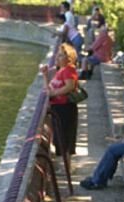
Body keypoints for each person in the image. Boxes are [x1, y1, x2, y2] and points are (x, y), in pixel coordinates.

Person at [40, 43, 79, 171]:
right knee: (60, 138)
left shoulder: (69, 69)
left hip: (66, 108)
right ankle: (66, 166)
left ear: (69, 58)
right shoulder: (59, 71)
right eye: (58, 55)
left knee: (66, 137)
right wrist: (45, 75)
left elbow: (70, 86)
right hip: (58, 109)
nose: (58, 57)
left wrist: (54, 93)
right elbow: (49, 89)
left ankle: (68, 168)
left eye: (61, 55)